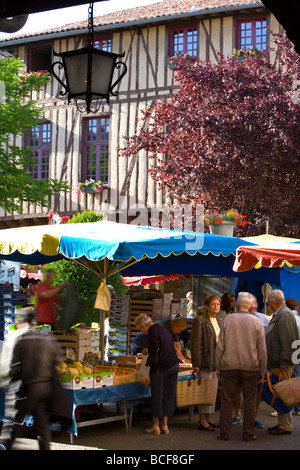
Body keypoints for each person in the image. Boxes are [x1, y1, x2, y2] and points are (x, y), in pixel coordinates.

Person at [1, 307, 72, 450]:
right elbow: (58, 362)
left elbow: (14, 367)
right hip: (46, 388)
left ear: (23, 322)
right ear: (34, 323)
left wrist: (10, 382)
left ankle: (6, 446)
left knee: (17, 421)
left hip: (30, 388)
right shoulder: (47, 339)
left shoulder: (22, 340)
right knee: (42, 425)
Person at [215, 292, 267, 441]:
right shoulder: (256, 322)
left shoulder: (228, 319)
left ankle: (224, 433)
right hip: (250, 366)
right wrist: (262, 369)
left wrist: (218, 366)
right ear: (250, 305)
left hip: (229, 365)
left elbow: (220, 346)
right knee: (250, 401)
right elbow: (262, 349)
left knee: (227, 400)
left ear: (237, 303)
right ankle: (248, 433)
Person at [134, 313, 179, 435]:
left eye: (140, 329)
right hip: (174, 365)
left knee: (157, 394)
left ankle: (155, 426)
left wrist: (145, 350)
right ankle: (165, 426)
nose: (142, 332)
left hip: (161, 366)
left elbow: (154, 348)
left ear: (143, 326)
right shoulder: (162, 328)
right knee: (168, 395)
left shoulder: (153, 330)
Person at [232, 295, 269, 428]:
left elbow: (266, 342)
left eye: (254, 303)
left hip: (257, 361)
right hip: (239, 359)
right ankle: (237, 414)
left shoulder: (263, 319)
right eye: (250, 303)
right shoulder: (237, 318)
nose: (253, 305)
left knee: (255, 392)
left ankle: (253, 417)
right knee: (238, 389)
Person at [266, 290, 300, 434]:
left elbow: (288, 339)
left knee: (284, 393)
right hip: (281, 362)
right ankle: (283, 423)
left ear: (273, 303)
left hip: (283, 363)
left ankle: (285, 425)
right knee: (281, 392)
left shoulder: (284, 314)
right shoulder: (283, 313)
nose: (268, 305)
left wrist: (285, 361)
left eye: (268, 303)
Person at [190, 294, 222, 431]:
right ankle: (202, 420)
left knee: (212, 391)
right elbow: (196, 344)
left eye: (218, 304)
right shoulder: (200, 320)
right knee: (204, 391)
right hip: (205, 360)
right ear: (207, 306)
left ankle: (208, 417)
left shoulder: (220, 321)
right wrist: (196, 364)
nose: (216, 307)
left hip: (216, 361)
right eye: (213, 304)